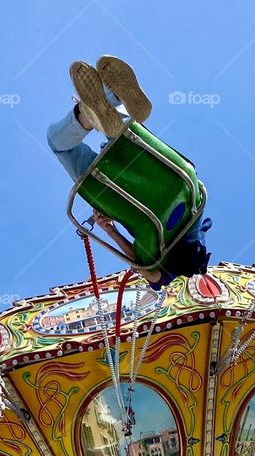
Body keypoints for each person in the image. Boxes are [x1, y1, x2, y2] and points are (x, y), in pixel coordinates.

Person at [47, 57, 211, 290]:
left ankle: (112, 103)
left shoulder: (194, 214)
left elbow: (197, 191)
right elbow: (150, 274)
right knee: (58, 144)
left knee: (131, 141)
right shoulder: (165, 267)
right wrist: (110, 230)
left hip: (177, 178)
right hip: (121, 195)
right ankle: (95, 112)